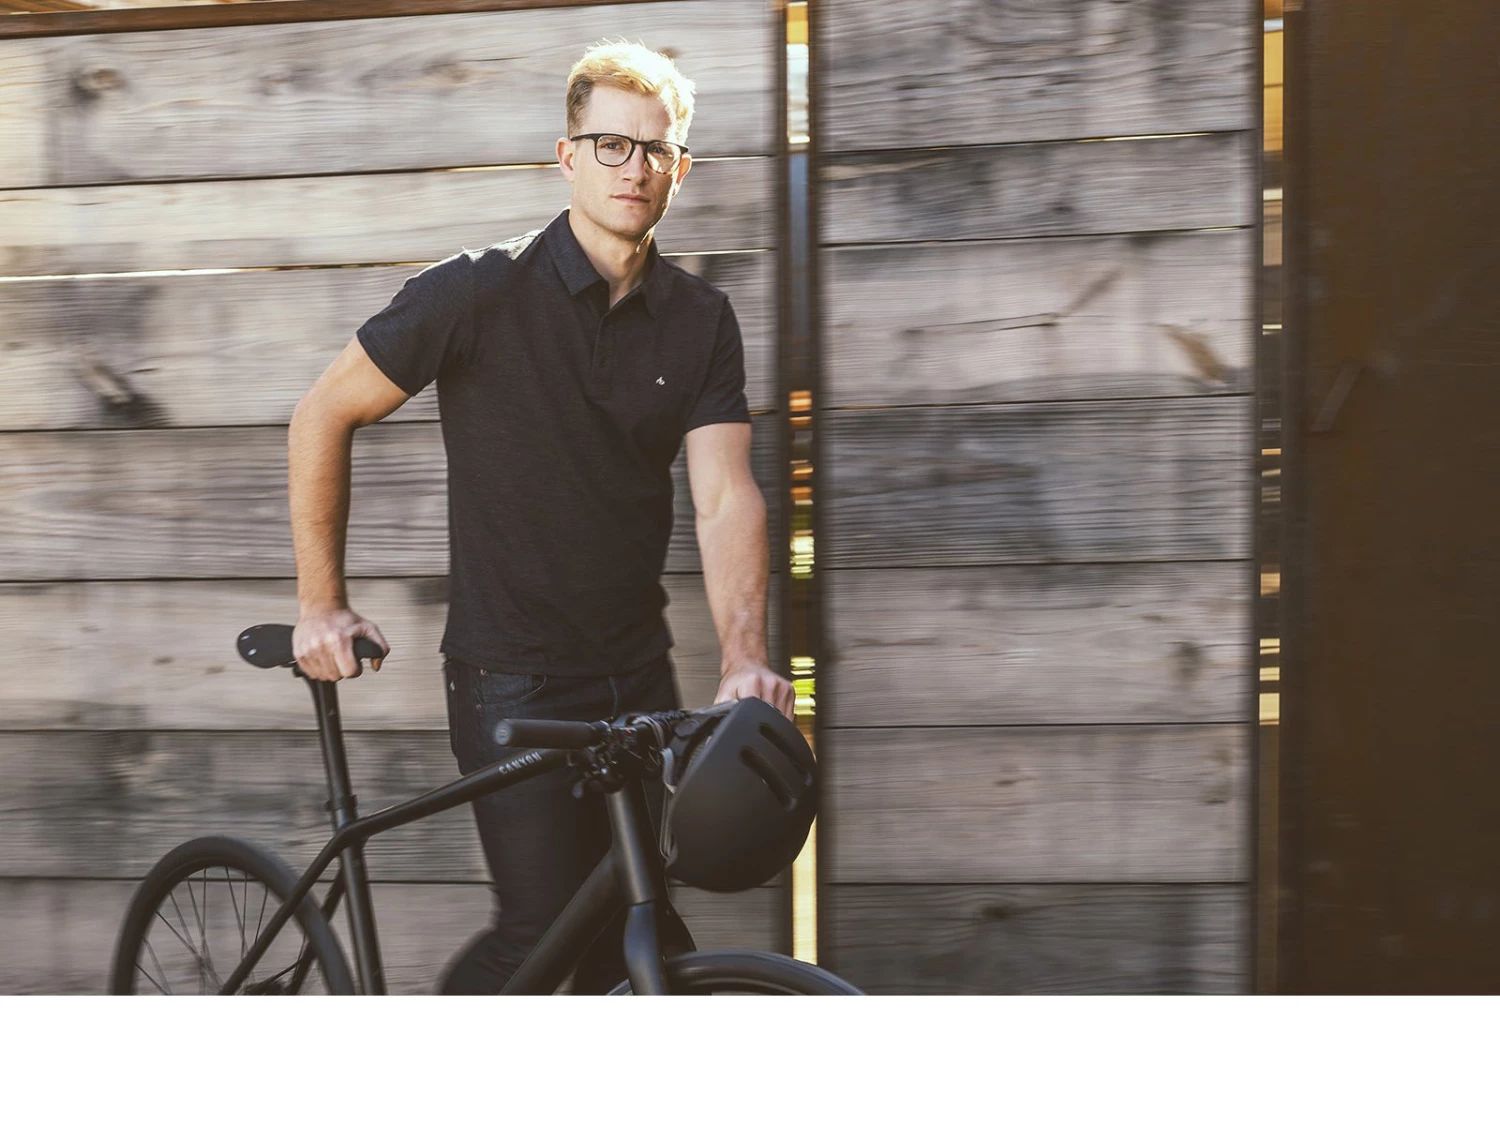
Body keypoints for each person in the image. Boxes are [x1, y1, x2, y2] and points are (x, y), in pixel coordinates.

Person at [285, 40, 795, 994]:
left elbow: (726, 493)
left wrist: (744, 656)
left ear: (680, 169)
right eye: (611, 144)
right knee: (539, 928)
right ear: (568, 156)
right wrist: (322, 602)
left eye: (656, 149)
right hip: (509, 676)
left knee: (640, 928)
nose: (634, 167)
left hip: (636, 674)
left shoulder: (699, 319)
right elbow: (323, 413)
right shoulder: (478, 290)